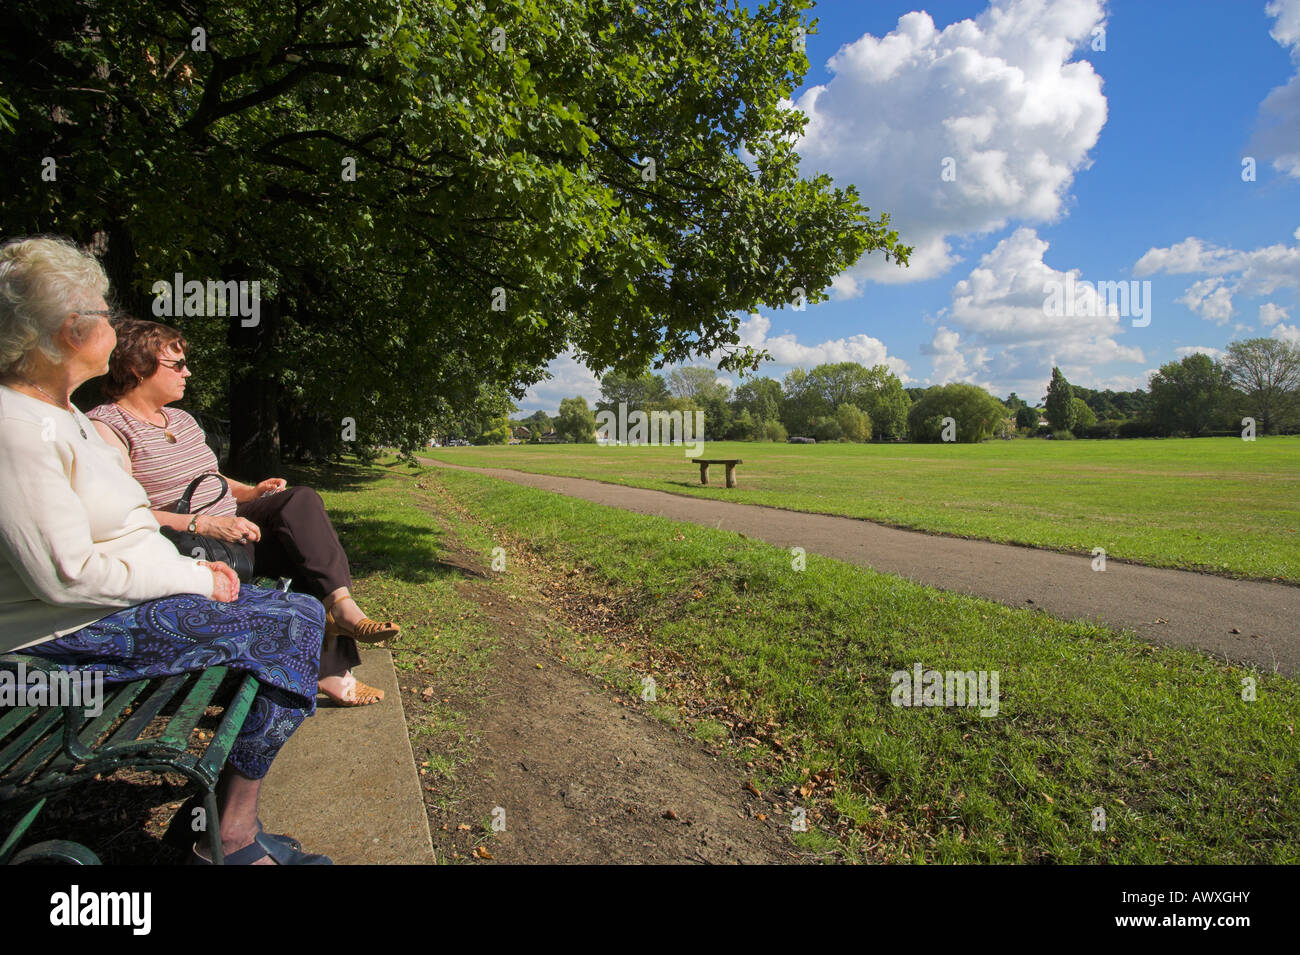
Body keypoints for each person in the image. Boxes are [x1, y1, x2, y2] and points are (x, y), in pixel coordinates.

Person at [0, 235, 328, 864]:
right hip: (58, 638)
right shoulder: (18, 429)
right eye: (102, 310)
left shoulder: (60, 412)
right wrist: (196, 580)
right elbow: (66, 576)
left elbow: (117, 533)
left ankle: (218, 822)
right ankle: (225, 838)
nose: (111, 324)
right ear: (72, 329)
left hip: (104, 609)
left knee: (296, 616)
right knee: (288, 627)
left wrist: (188, 568)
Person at [87, 318, 401, 707]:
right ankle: (331, 670)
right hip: (189, 549)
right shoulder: (107, 427)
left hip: (234, 532)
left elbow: (207, 476)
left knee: (300, 505)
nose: (188, 372)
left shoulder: (181, 419)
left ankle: (342, 609)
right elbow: (119, 515)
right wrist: (206, 524)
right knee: (298, 552)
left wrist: (252, 491)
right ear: (136, 367)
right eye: (177, 365)